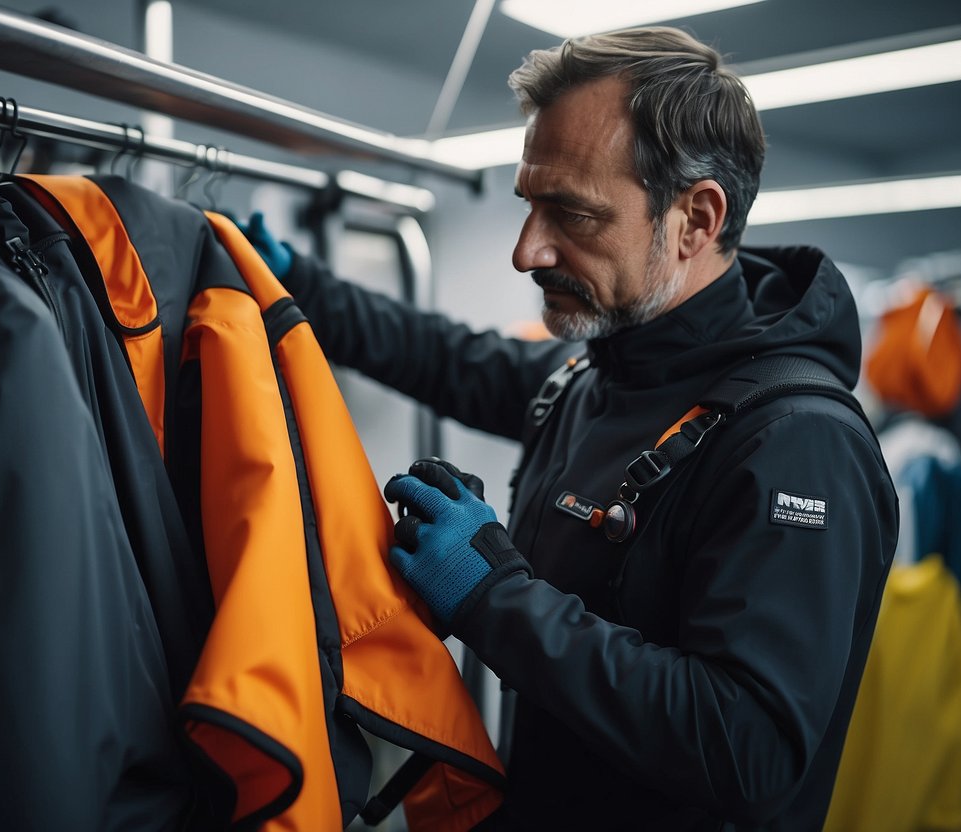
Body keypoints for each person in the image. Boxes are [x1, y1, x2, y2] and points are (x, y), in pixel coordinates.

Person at [243, 26, 897, 831]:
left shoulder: (795, 443)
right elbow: (453, 361)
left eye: (571, 215)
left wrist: (494, 597)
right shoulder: (605, 370)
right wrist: (297, 283)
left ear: (695, 218)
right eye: (529, 203)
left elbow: (747, 746)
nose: (527, 251)